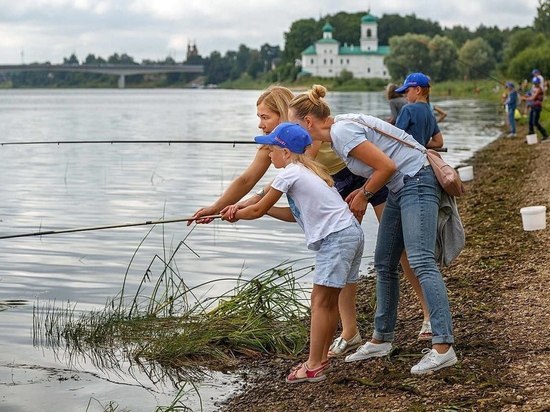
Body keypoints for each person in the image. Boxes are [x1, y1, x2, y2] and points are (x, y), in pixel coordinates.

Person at [288, 84, 458, 375]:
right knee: (384, 262)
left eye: (291, 123)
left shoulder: (342, 132)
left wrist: (364, 194)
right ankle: (381, 339)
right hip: (399, 187)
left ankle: (443, 347)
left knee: (420, 261)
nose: (291, 129)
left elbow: (387, 165)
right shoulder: (338, 129)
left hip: (416, 179)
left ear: (307, 122)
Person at [221, 122, 364, 384]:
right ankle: (319, 361)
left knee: (320, 302)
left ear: (286, 152)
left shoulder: (289, 174)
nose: (268, 151)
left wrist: (236, 214)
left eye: (272, 147)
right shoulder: (309, 172)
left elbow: (256, 209)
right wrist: (247, 210)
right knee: (327, 302)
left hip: (336, 239)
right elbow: (293, 215)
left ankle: (312, 366)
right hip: (350, 233)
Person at [189, 85, 294, 223]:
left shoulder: (306, 140)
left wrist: (255, 204)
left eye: (265, 117)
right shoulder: (272, 144)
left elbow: (289, 177)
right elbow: (246, 180)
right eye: (259, 117)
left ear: (284, 116)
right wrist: (216, 208)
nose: (260, 125)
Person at [521, 76, 548, 141]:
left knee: (535, 122)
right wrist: (525, 96)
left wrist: (525, 98)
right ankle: (531, 137)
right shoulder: (533, 88)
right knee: (530, 122)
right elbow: (531, 95)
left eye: (537, 83)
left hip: (537, 108)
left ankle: (545, 135)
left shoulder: (539, 89)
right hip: (533, 107)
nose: (536, 84)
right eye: (535, 83)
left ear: (539, 83)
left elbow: (533, 98)